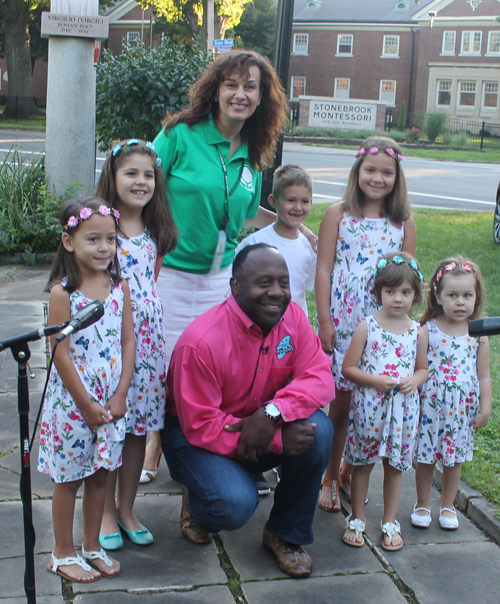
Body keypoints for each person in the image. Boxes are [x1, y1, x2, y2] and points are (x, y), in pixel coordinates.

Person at [141, 50, 316, 483]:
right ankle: (154, 448)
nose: (240, 94)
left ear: (262, 98)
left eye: (250, 86)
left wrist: (288, 224)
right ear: (216, 90)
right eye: (232, 84)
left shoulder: (254, 152)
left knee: (214, 377)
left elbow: (242, 211)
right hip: (172, 276)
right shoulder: (178, 135)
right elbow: (141, 189)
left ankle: (203, 468)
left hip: (222, 281)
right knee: (161, 376)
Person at [161, 244, 334, 578]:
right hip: (193, 435)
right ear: (235, 287)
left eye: (283, 282)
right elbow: (200, 424)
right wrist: (279, 441)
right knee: (232, 505)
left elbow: (319, 376)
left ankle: (285, 534)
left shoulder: (293, 318)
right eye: (263, 282)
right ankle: (199, 498)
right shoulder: (201, 343)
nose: (276, 292)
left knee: (319, 431)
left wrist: (272, 414)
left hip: (260, 420)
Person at [315, 136, 417, 513]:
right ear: (358, 170)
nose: (377, 178)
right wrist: (325, 321)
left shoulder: (403, 222)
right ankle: (327, 477)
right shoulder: (338, 214)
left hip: (383, 330)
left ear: (397, 176)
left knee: (372, 407)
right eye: (370, 170)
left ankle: (348, 471)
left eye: (387, 172)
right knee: (341, 408)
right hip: (343, 323)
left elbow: (406, 280)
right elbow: (324, 269)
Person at [37, 198, 135, 582]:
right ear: (68, 241)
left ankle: (92, 545)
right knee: (70, 479)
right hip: (73, 405)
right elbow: (59, 352)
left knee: (100, 476)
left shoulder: (118, 286)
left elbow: (128, 342)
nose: (103, 247)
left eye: (110, 239)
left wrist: (122, 393)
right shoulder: (63, 293)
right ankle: (62, 552)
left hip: (110, 403)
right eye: (92, 239)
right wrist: (85, 404)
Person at [94, 139, 177, 549]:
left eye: (148, 174)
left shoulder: (155, 231)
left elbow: (150, 285)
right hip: (110, 345)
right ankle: (105, 512)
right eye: (131, 173)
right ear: (112, 176)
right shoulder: (101, 228)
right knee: (112, 428)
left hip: (148, 349)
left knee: (138, 430)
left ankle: (127, 509)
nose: (141, 181)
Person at [341, 252, 428, 551]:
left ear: (415, 296)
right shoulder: (368, 326)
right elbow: (348, 368)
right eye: (390, 291)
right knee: (363, 464)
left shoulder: (417, 332)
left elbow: (422, 368)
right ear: (378, 291)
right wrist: (376, 380)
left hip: (403, 411)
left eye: (405, 292)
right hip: (370, 409)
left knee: (395, 467)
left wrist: (415, 380)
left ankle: (390, 521)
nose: (397, 299)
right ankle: (357, 517)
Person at [412, 258, 491, 531]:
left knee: (453, 458)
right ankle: (423, 503)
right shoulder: (427, 331)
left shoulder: (478, 334)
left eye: (467, 295)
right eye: (453, 295)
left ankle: (447, 505)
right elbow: (419, 369)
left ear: (476, 296)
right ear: (437, 295)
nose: (460, 302)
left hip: (461, 410)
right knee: (425, 456)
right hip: (431, 406)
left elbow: (483, 375)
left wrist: (485, 408)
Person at [236, 164, 316, 317]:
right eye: (291, 200)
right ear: (273, 201)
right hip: (259, 324)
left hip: (295, 330)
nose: (298, 207)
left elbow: (304, 288)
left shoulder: (310, 247)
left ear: (311, 202)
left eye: (304, 201)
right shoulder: (252, 244)